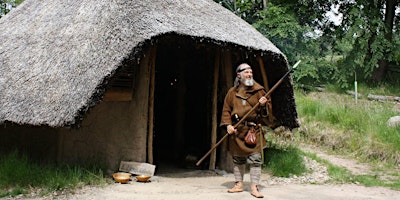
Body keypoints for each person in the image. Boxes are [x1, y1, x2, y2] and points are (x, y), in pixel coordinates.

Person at [220, 63, 269, 198]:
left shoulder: (259, 91)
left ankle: (254, 187)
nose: (249, 74)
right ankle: (239, 184)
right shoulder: (232, 93)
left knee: (255, 159)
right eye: (246, 72)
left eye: (251, 72)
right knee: (238, 159)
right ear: (239, 75)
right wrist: (228, 125)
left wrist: (264, 105)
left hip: (253, 130)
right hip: (238, 130)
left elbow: (267, 114)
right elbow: (226, 111)